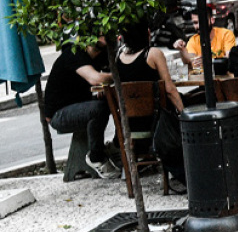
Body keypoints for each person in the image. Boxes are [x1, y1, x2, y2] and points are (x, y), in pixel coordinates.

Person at [116, 20, 187, 188]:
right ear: (146, 34)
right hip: (157, 122)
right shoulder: (153, 54)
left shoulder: (118, 56)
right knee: (191, 103)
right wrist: (185, 113)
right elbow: (169, 89)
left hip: (130, 123)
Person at [43, 37, 116, 179]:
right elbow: (96, 78)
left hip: (77, 106)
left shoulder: (102, 55)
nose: (104, 35)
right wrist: (116, 76)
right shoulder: (74, 53)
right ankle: (96, 157)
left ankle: (116, 146)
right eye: (99, 32)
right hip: (58, 115)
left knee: (110, 102)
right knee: (98, 109)